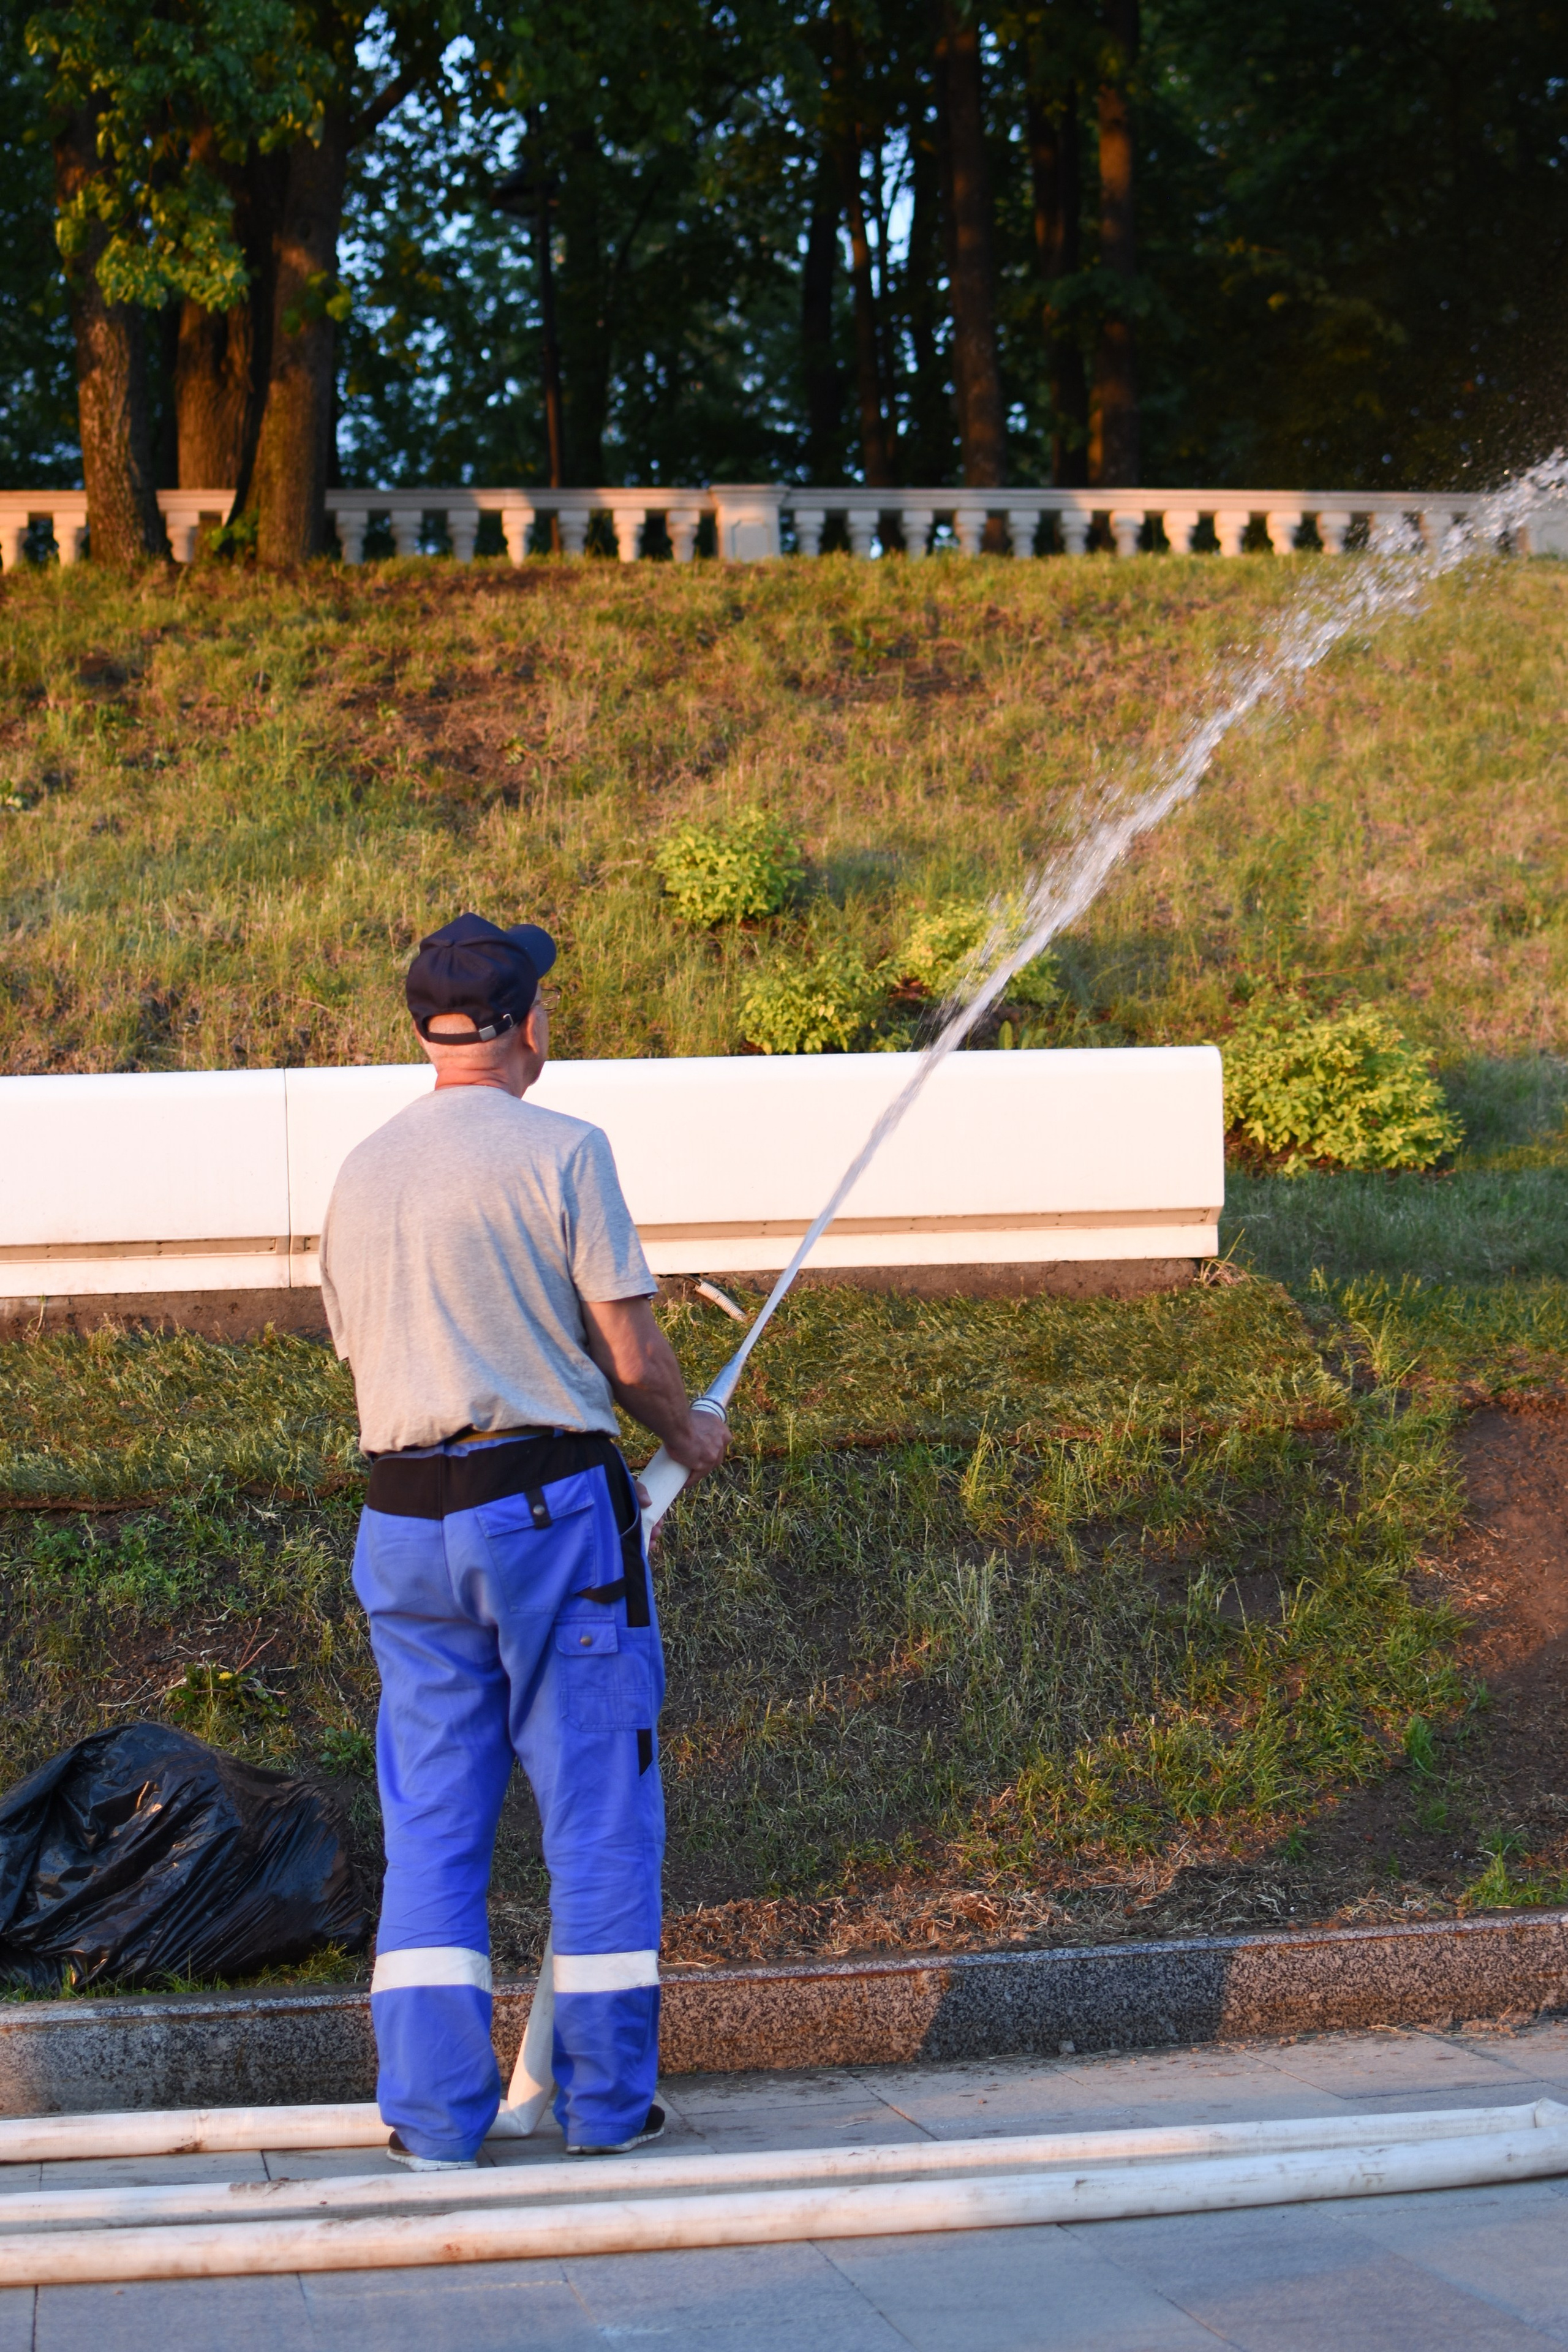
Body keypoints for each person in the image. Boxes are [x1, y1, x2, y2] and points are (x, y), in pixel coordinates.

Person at [319, 911, 728, 2169]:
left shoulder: (360, 1171)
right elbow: (631, 1356)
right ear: (526, 1026)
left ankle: (435, 2119)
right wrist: (688, 1433)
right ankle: (605, 2109)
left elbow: (355, 1347)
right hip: (549, 1514)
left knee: (433, 1816)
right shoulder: (564, 1151)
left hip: (400, 1523)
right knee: (596, 1805)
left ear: (429, 1031)